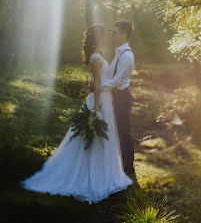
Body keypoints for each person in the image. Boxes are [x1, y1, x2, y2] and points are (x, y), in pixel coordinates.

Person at [20, 24, 133, 204]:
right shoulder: (96, 57)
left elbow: (102, 81)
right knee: (95, 136)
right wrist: (96, 105)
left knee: (104, 137)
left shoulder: (100, 55)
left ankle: (103, 170)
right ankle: (93, 172)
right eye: (104, 35)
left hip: (105, 100)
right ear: (98, 38)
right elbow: (96, 84)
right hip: (99, 101)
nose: (107, 37)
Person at [91, 20, 136, 176]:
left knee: (123, 132)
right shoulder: (119, 53)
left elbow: (117, 80)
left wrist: (98, 86)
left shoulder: (127, 56)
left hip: (122, 97)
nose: (111, 35)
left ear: (123, 35)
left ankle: (128, 168)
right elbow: (110, 75)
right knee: (115, 131)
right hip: (113, 97)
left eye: (114, 33)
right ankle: (118, 163)